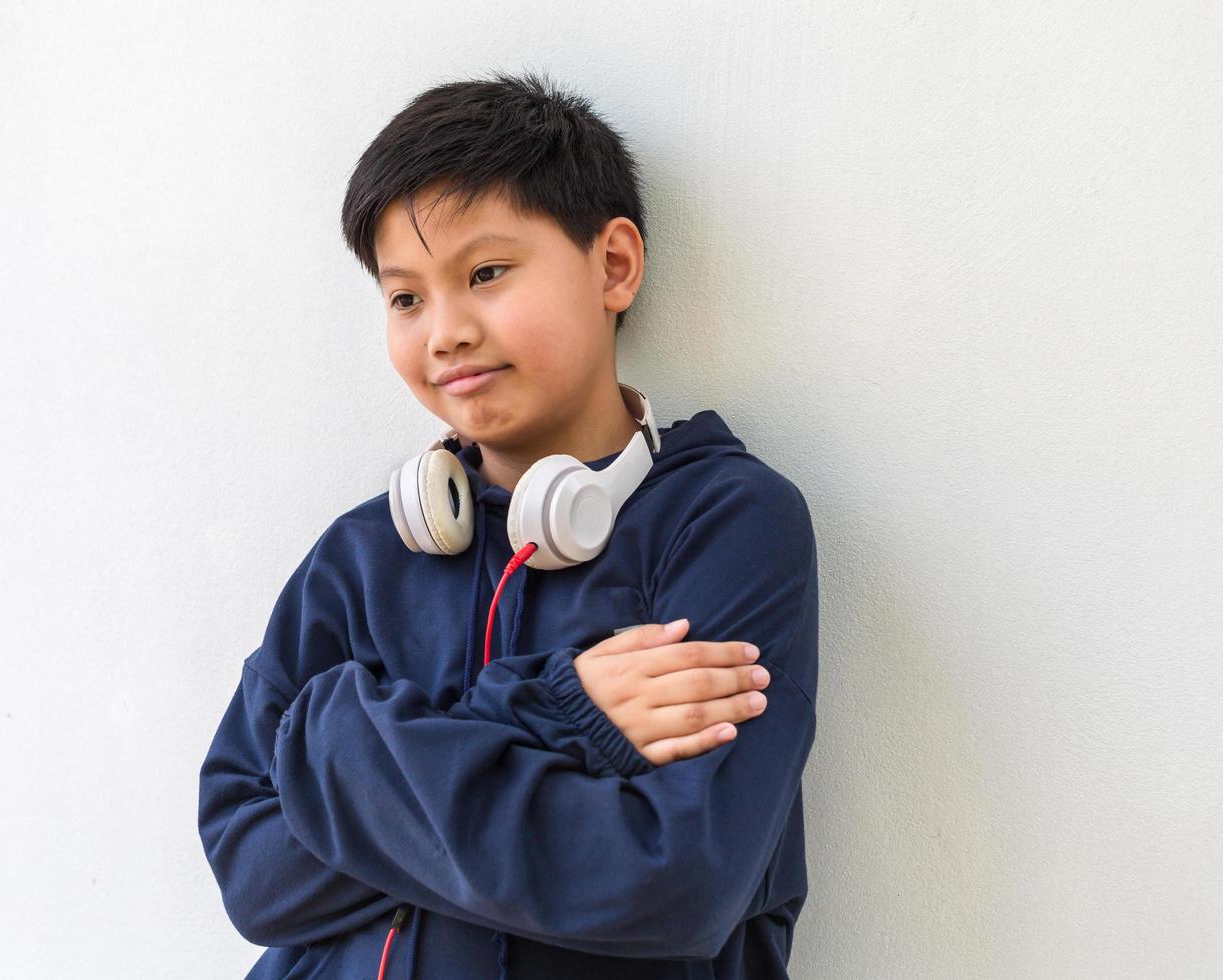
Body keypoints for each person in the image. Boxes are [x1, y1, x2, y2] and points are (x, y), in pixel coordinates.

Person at [197, 69, 819, 980]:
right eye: (406, 297)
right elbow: (255, 879)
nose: (443, 332)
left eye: (485, 273)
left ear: (614, 265)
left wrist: (350, 754)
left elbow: (676, 883)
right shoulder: (359, 558)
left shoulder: (727, 525)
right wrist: (565, 718)